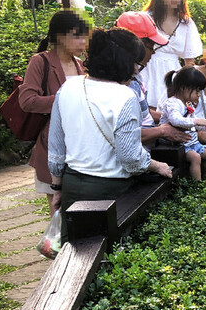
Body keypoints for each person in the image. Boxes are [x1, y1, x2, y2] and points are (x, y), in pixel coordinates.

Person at [47, 27, 172, 241]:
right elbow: (131, 158)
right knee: (111, 255)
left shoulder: (68, 87)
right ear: (124, 62)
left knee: (75, 251)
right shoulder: (124, 96)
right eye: (137, 64)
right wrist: (157, 165)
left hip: (72, 186)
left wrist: (57, 187)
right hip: (111, 191)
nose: (137, 70)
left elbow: (57, 147)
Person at [19, 9, 90, 213]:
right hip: (51, 145)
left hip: (81, 145)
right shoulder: (40, 62)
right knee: (58, 210)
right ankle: (59, 245)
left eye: (84, 36)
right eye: (76, 35)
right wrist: (64, 100)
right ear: (59, 36)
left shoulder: (81, 65)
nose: (82, 41)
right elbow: (27, 101)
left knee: (80, 207)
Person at [115, 11, 191, 149]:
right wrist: (162, 131)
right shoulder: (121, 84)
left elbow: (144, 114)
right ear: (134, 46)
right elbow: (126, 135)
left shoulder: (135, 75)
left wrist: (172, 116)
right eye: (150, 47)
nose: (154, 52)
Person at [138, 0, 203, 120]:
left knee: (171, 114)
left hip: (172, 73)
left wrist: (188, 87)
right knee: (146, 114)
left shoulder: (186, 23)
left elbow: (189, 61)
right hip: (148, 68)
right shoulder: (146, 17)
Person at [159, 67, 206, 181]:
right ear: (183, 88)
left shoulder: (187, 104)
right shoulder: (172, 103)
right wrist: (195, 122)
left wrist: (205, 126)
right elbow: (176, 120)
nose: (199, 94)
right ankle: (197, 185)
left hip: (191, 142)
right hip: (176, 144)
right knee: (195, 158)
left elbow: (193, 122)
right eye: (197, 91)